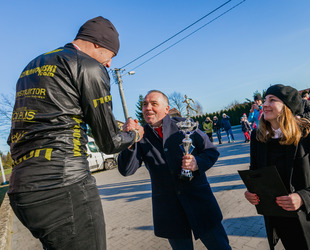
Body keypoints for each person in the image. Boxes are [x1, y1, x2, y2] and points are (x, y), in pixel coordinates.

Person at [7, 16, 144, 250]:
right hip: (63, 185)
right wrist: (134, 135)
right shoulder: (89, 66)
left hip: (21, 190)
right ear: (98, 44)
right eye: (111, 55)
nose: (109, 64)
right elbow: (109, 142)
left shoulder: (33, 64)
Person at [118, 90, 231, 250]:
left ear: (166, 108)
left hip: (200, 204)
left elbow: (211, 151)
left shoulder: (184, 125)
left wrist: (197, 163)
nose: (147, 108)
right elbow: (126, 170)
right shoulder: (140, 135)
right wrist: (128, 140)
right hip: (169, 211)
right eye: (145, 104)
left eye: (153, 104)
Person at [244, 84, 310, 250]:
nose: (264, 104)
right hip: (286, 228)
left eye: (272, 100)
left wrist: (302, 198)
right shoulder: (258, 141)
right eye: (264, 100)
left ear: (287, 107)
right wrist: (251, 192)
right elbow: (256, 176)